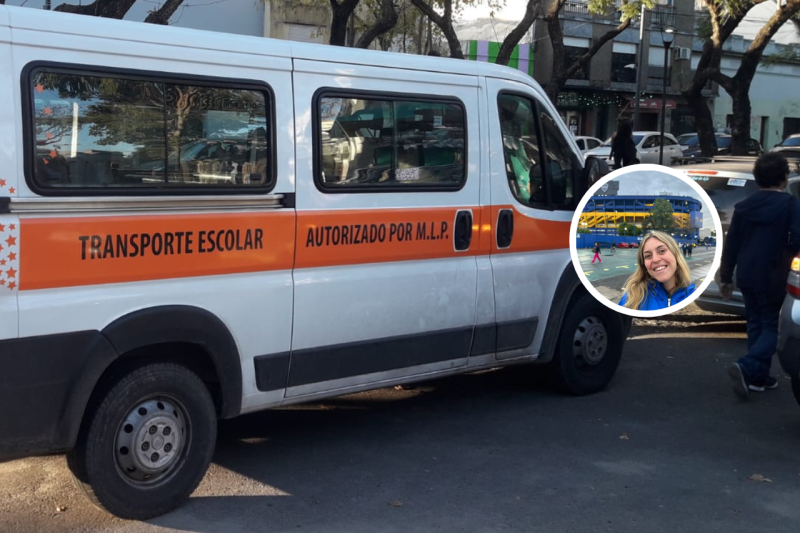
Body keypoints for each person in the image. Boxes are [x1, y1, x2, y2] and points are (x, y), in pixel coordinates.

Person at [721, 152, 800, 399]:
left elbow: (732, 244)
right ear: (784, 178)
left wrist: (726, 277)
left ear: (757, 179)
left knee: (755, 323)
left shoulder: (744, 207)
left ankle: (758, 378)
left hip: (746, 273)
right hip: (775, 273)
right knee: (774, 327)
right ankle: (748, 366)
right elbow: (797, 239)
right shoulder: (791, 205)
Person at [619, 231, 695, 310]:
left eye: (662, 251)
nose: (655, 259)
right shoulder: (632, 296)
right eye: (648, 256)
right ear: (644, 264)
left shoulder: (696, 298)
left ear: (675, 254)